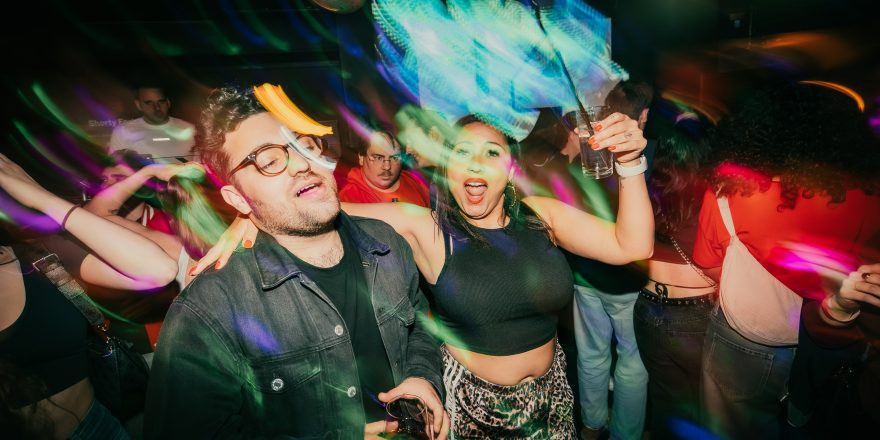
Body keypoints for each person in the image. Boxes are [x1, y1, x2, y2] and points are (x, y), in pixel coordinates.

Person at [200, 109, 654, 438]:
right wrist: (250, 216)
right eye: (461, 152)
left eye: (491, 152)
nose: (475, 163)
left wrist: (631, 163)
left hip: (552, 395)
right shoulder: (428, 227)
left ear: (510, 168)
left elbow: (632, 246)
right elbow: (320, 210)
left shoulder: (541, 216)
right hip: (471, 408)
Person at [144, 87, 448, 439]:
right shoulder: (210, 308)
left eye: (303, 145)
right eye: (269, 161)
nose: (302, 164)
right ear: (237, 199)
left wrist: (422, 377)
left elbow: (419, 326)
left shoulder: (386, 243)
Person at [693, 82, 880, 439]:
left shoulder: (729, 191)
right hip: (828, 348)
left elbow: (709, 265)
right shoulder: (870, 199)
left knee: (730, 429)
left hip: (747, 343)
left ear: (759, 129)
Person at [0, 153, 178, 439]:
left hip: (156, 346)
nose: (108, 188)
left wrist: (145, 174)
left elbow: (160, 269)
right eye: (104, 181)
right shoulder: (93, 222)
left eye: (118, 180)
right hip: (134, 340)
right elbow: (95, 213)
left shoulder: (165, 220)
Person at [631, 107, 715, 440]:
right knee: (704, 406)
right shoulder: (715, 198)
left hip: (648, 307)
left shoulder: (646, 193)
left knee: (666, 401)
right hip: (695, 314)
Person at [339, 130, 431, 206]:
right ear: (361, 158)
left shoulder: (417, 183)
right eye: (378, 158)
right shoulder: (347, 199)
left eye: (394, 158)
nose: (387, 167)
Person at [108, 86, 196, 163]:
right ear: (138, 105)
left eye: (161, 101)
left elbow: (200, 167)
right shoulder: (123, 132)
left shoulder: (190, 129)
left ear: (168, 102)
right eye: (149, 103)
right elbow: (113, 169)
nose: (157, 107)